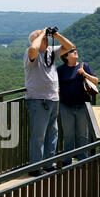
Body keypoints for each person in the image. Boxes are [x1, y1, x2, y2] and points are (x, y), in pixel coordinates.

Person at [24, 28, 75, 176]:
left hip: (53, 99)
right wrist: (41, 34)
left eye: (46, 39)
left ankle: (48, 164)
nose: (46, 40)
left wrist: (55, 36)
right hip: (38, 100)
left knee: (53, 133)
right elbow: (34, 48)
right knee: (38, 135)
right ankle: (35, 167)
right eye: (44, 39)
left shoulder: (50, 51)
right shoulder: (30, 53)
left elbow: (70, 46)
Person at [57, 48, 99, 166]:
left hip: (82, 105)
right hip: (66, 106)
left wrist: (84, 74)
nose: (75, 51)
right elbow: (54, 83)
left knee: (82, 135)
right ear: (66, 56)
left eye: (75, 50)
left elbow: (96, 81)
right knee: (68, 135)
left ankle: (83, 160)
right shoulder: (60, 70)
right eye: (72, 51)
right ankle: (67, 160)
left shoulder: (84, 66)